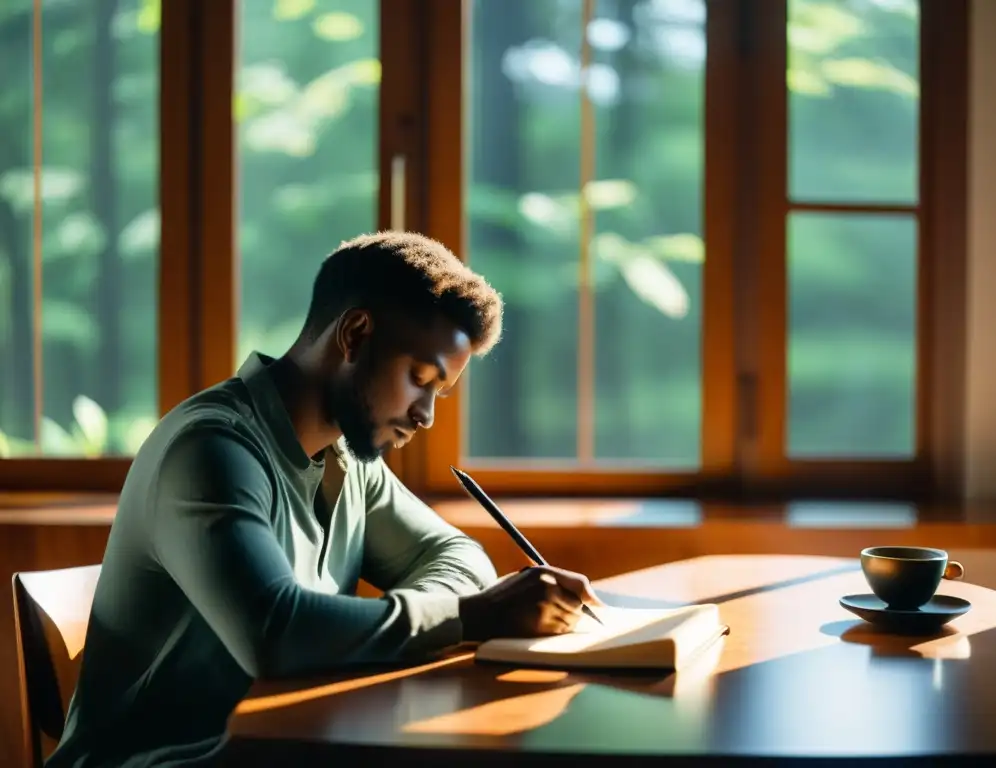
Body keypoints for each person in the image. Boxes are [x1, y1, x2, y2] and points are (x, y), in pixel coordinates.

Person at [46, 231, 601, 767]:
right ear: (355, 335)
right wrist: (467, 616)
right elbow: (277, 633)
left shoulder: (350, 460)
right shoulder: (211, 450)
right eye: (418, 377)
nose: (426, 415)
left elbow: (459, 557)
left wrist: (449, 614)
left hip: (282, 746)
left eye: (440, 392)